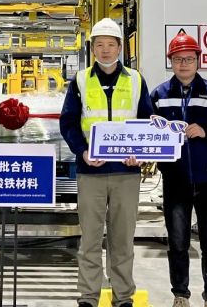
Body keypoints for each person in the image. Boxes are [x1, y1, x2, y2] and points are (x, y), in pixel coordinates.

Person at [60, 18, 154, 307]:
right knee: (89, 238)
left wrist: (141, 152)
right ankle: (88, 296)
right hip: (91, 171)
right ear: (92, 49)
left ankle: (123, 296)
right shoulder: (80, 81)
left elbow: (147, 121)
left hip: (127, 171)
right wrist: (82, 152)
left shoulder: (136, 80)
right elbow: (68, 122)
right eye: (99, 45)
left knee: (123, 239)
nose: (105, 50)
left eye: (110, 45)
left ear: (119, 48)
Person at [150, 32, 207, 307]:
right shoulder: (159, 96)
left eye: (189, 59)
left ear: (198, 60)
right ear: (171, 62)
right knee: (177, 242)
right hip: (175, 181)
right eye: (178, 59)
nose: (184, 64)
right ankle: (180, 294)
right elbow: (146, 129)